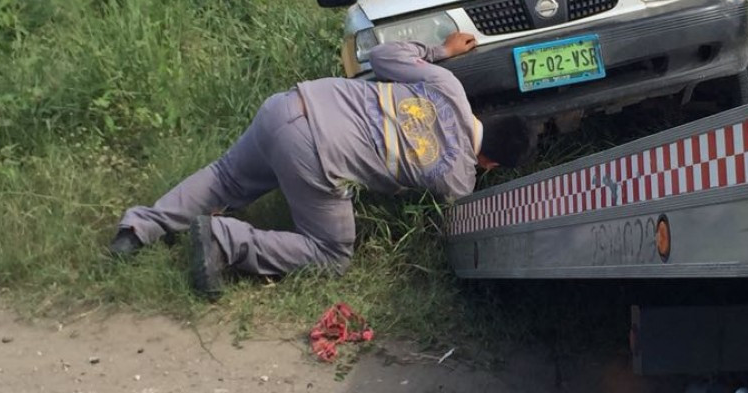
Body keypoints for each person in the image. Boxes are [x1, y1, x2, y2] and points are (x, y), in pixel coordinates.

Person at [108, 32, 536, 300]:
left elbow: (384, 54)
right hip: (316, 153)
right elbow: (444, 220)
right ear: (492, 163)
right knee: (332, 254)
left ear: (489, 118)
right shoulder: (459, 177)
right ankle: (224, 241)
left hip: (293, 103)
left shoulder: (448, 84)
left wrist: (439, 49)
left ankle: (136, 230)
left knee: (226, 176)